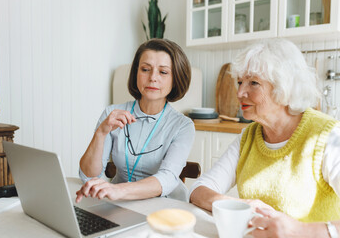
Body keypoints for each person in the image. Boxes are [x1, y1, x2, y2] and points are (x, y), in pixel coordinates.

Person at [190, 38, 340, 238]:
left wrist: (298, 231)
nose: (240, 92)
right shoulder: (248, 137)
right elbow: (198, 190)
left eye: (253, 83)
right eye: (240, 82)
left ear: (283, 87)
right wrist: (242, 205)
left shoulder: (327, 136)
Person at [76, 38, 195, 203]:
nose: (153, 78)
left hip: (165, 205)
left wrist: (117, 189)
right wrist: (101, 133)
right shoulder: (112, 113)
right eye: (145, 69)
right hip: (119, 204)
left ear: (175, 79)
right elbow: (88, 176)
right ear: (136, 73)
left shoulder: (183, 126)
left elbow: (167, 178)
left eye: (163, 72)